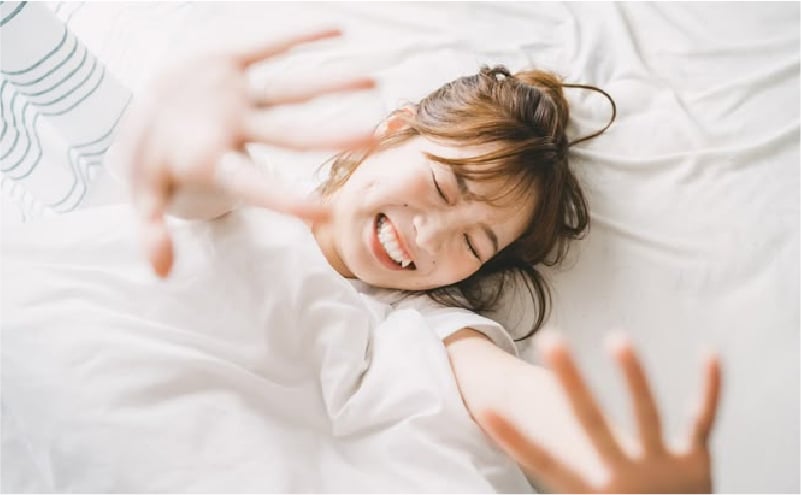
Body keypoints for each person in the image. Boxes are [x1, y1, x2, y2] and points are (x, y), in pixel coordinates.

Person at [107, 29, 722, 493]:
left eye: (474, 245)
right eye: (441, 186)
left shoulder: (431, 330)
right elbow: (193, 191)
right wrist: (183, 147)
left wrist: (611, 464)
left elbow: (513, 394)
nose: (427, 236)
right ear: (394, 130)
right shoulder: (246, 196)